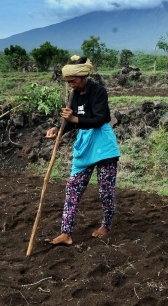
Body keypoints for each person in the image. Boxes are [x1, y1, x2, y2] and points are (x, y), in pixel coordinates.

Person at [45, 55, 121, 246]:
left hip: (103, 145)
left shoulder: (99, 92)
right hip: (85, 145)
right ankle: (66, 233)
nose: (71, 85)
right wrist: (59, 129)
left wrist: (74, 120)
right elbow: (72, 122)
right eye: (68, 81)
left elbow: (99, 119)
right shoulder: (74, 96)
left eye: (73, 81)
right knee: (73, 187)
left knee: (105, 190)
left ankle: (106, 225)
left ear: (84, 77)